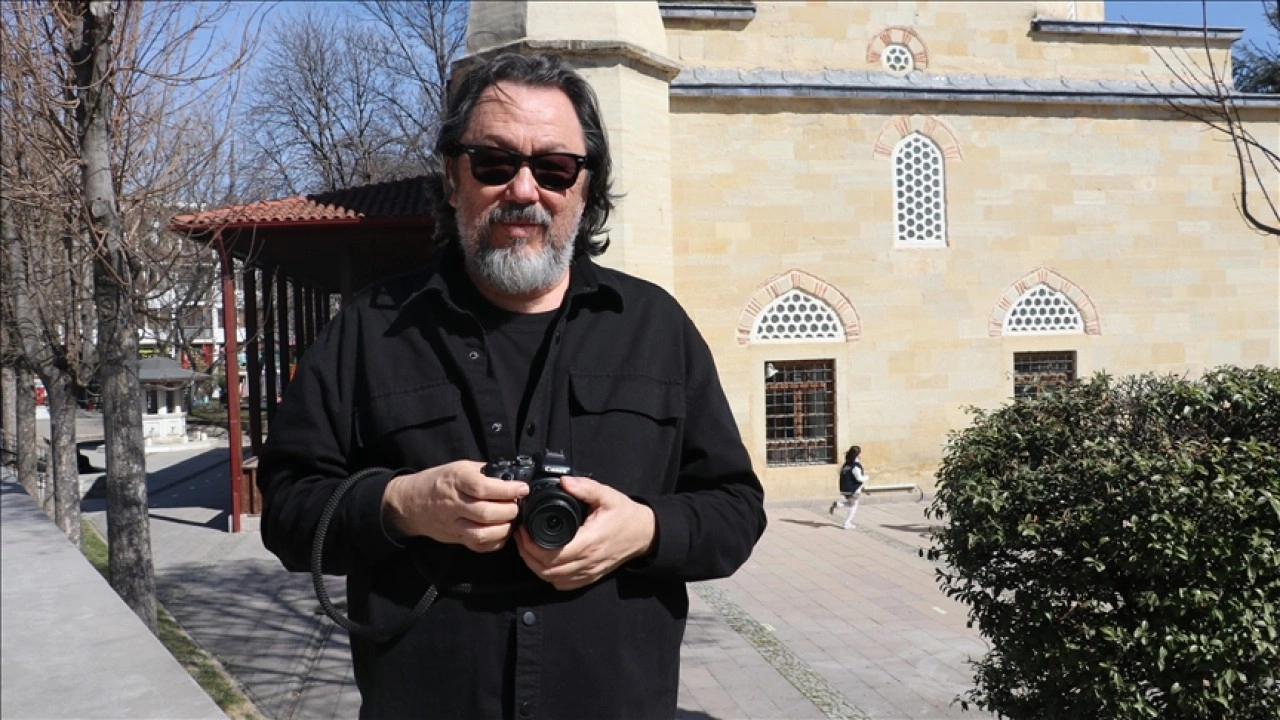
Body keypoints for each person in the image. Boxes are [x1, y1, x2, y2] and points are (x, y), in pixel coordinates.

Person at [256, 52, 767, 720]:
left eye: (554, 168)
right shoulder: (369, 331)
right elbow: (289, 509)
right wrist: (401, 502)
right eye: (494, 164)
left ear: (586, 188)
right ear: (451, 178)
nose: (524, 191)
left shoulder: (656, 328)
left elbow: (736, 509)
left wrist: (645, 529)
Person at [829, 445, 868, 529]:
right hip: (853, 489)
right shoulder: (855, 466)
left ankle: (838, 504)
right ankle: (847, 523)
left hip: (844, 488)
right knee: (854, 506)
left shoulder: (846, 465)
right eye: (860, 453)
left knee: (851, 504)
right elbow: (859, 478)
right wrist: (867, 477)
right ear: (857, 455)